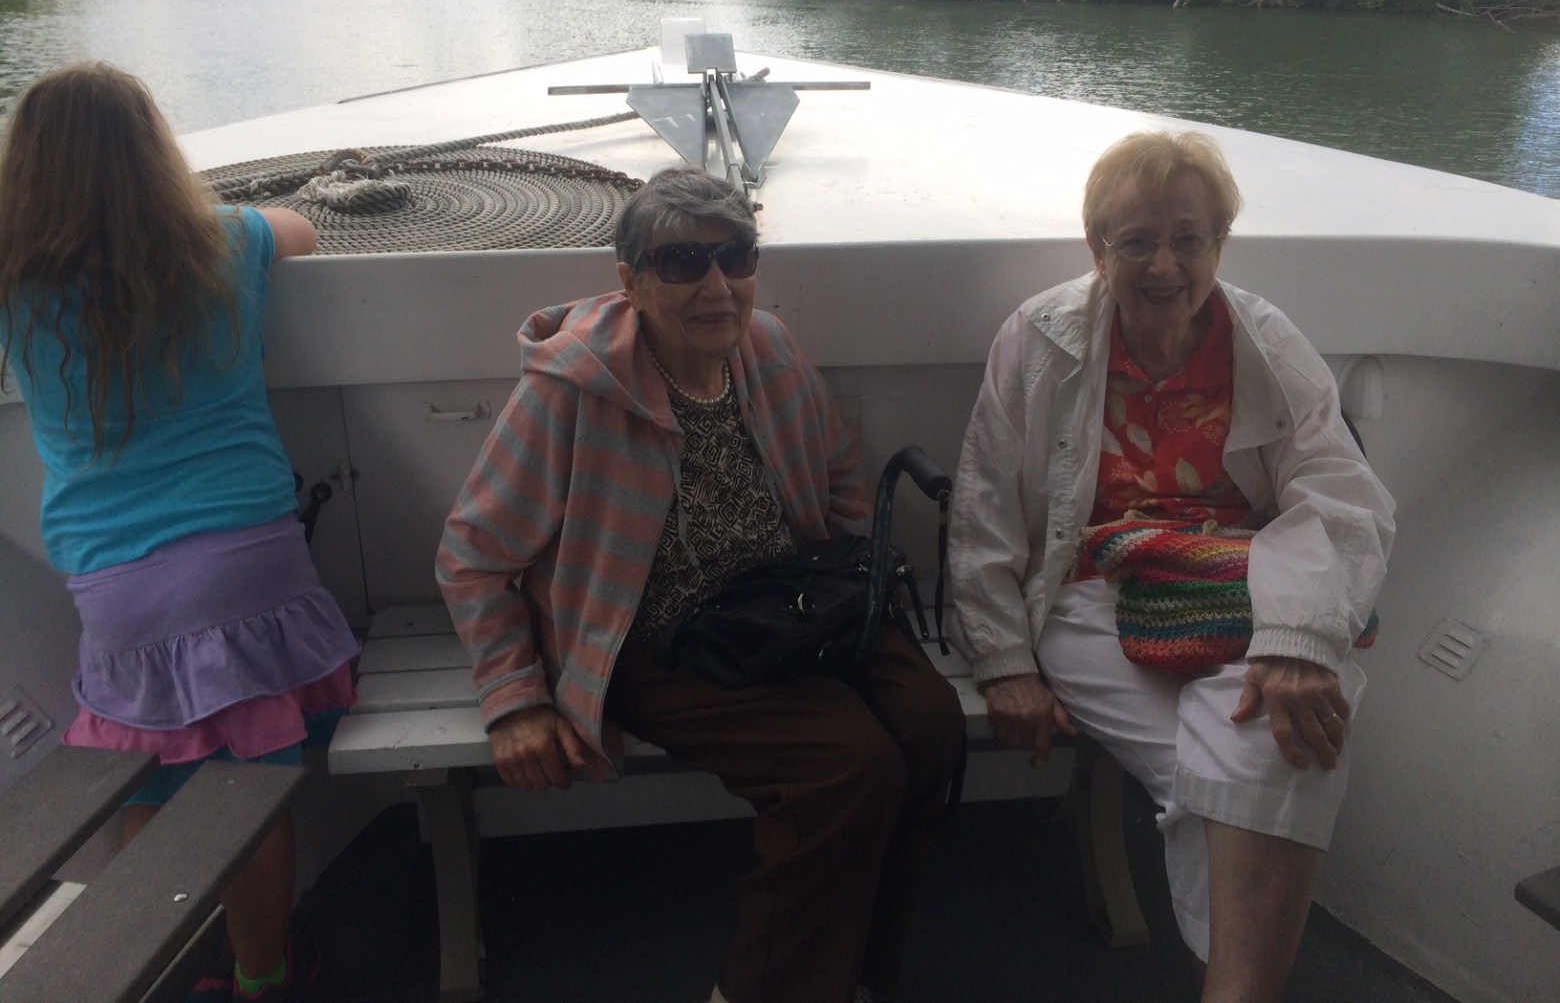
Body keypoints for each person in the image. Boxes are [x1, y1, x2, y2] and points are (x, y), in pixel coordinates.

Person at [437, 167, 964, 1003]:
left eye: (736, 256)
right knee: (847, 766)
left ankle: (860, 968)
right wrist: (515, 697)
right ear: (632, 282)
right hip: (657, 639)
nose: (718, 285)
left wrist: (842, 586)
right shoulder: (570, 391)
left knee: (932, 728)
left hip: (792, 606)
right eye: (683, 262)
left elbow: (837, 475)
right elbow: (473, 553)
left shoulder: (771, 349)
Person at [948, 131, 1395, 1003]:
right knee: (1276, 760)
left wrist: (1299, 638)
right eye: (1136, 241)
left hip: (1241, 586)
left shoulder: (1263, 339)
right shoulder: (1039, 338)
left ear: (1220, 244)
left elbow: (1342, 492)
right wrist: (1004, 660)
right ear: (1096, 250)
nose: (1164, 264)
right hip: (1091, 595)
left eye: (1189, 239)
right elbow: (984, 510)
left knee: (1279, 736)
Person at [0, 62, 359, 1003]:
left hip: (119, 593)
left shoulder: (13, 285)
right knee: (251, 792)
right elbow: (306, 229)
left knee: (145, 783)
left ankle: (157, 950)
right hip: (254, 567)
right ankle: (262, 978)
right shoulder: (227, 244)